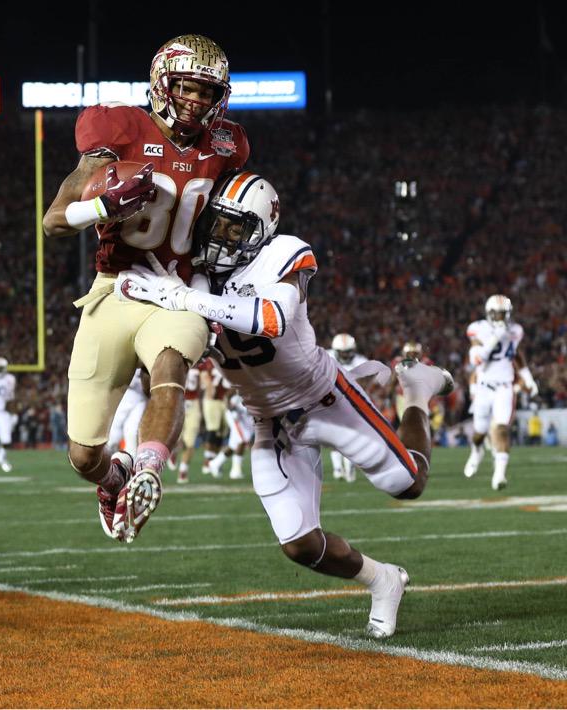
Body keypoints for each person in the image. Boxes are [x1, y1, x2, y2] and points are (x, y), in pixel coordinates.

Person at [114, 171, 453, 638]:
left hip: (324, 397)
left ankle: (415, 391)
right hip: (269, 421)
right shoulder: (196, 274)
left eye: (236, 229)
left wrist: (179, 295)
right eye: (217, 225)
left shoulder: (283, 253)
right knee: (299, 544)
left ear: (261, 231)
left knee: (408, 483)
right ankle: (383, 578)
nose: (221, 238)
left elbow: (269, 320)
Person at [42, 34, 249, 543]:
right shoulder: (117, 126)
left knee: (172, 364)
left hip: (176, 292)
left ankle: (148, 471)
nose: (198, 100)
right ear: (163, 82)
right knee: (84, 454)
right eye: (188, 87)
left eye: (207, 91)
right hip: (115, 288)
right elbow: (53, 221)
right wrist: (103, 206)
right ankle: (113, 478)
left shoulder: (227, 144)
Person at [463, 295, 538, 490]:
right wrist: (496, 336)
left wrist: (528, 378)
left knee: (502, 428)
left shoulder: (515, 330)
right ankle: (476, 451)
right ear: (488, 313)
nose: (500, 318)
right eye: (496, 313)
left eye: (504, 314)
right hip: (483, 388)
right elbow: (477, 360)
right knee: (479, 431)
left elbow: (516, 354)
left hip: (505, 387)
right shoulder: (478, 328)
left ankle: (499, 474)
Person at [326, 333, 368, 482]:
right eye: (342, 351)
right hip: (331, 402)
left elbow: (366, 383)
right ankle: (338, 468)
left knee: (351, 438)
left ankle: (348, 467)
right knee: (334, 437)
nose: (345, 354)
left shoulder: (360, 361)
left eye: (347, 351)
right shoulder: (326, 357)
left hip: (352, 402)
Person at [166, 364, 202, 484]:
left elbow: (202, 386)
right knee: (176, 438)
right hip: (178, 402)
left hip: (193, 403)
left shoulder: (202, 364)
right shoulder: (177, 362)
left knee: (190, 442)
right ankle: (174, 451)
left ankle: (183, 471)